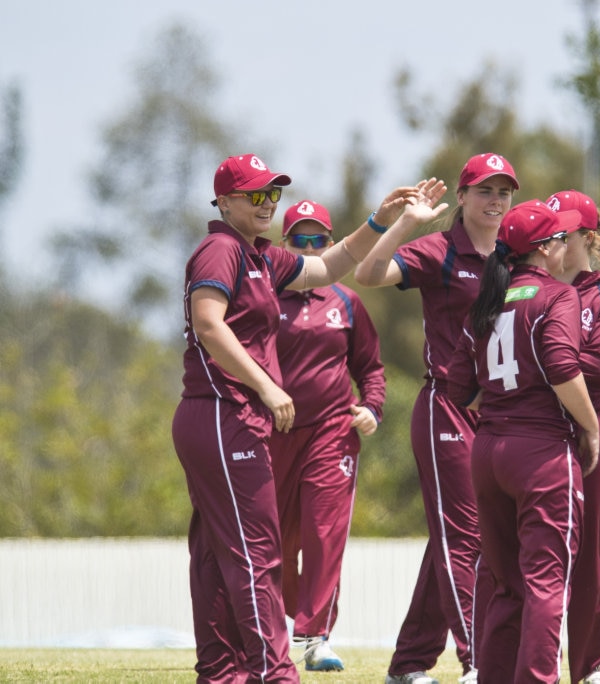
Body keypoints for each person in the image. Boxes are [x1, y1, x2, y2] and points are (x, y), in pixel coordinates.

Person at [171, 153, 446, 683]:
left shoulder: (260, 256)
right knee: (257, 551)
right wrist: (268, 386)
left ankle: (221, 671)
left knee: (214, 549)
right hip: (225, 412)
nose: (266, 203)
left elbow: (329, 267)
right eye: (254, 195)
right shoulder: (220, 249)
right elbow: (209, 324)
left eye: (271, 194)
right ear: (224, 202)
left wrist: (380, 221)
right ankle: (276, 672)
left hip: (227, 416)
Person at [354, 153, 520, 684]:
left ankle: (408, 664)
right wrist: (406, 222)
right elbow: (369, 273)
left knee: (459, 536)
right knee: (465, 534)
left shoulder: (516, 255)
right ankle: (479, 660)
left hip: (496, 413)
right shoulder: (440, 250)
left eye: (504, 192)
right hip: (445, 405)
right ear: (464, 197)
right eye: (485, 191)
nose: (495, 201)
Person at [447, 199, 600, 683]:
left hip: (489, 450)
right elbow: (560, 365)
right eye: (558, 239)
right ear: (545, 248)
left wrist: (503, 406)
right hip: (540, 453)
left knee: (507, 586)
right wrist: (592, 426)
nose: (563, 247)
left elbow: (458, 386)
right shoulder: (557, 295)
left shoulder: (490, 297)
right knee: (546, 583)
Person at [269, 199, 386, 672]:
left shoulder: (346, 302)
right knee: (273, 537)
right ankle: (274, 627)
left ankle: (316, 637)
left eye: (321, 240)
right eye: (302, 239)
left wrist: (371, 408)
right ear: (285, 246)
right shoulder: (263, 298)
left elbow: (371, 368)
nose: (312, 247)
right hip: (272, 433)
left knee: (324, 533)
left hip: (333, 434)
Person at [546, 189, 600, 684]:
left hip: (595, 427)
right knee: (533, 550)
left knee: (592, 550)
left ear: (588, 237)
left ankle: (591, 665)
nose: (551, 238)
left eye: (563, 231)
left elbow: (596, 367)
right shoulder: (527, 285)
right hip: (537, 428)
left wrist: (550, 361)